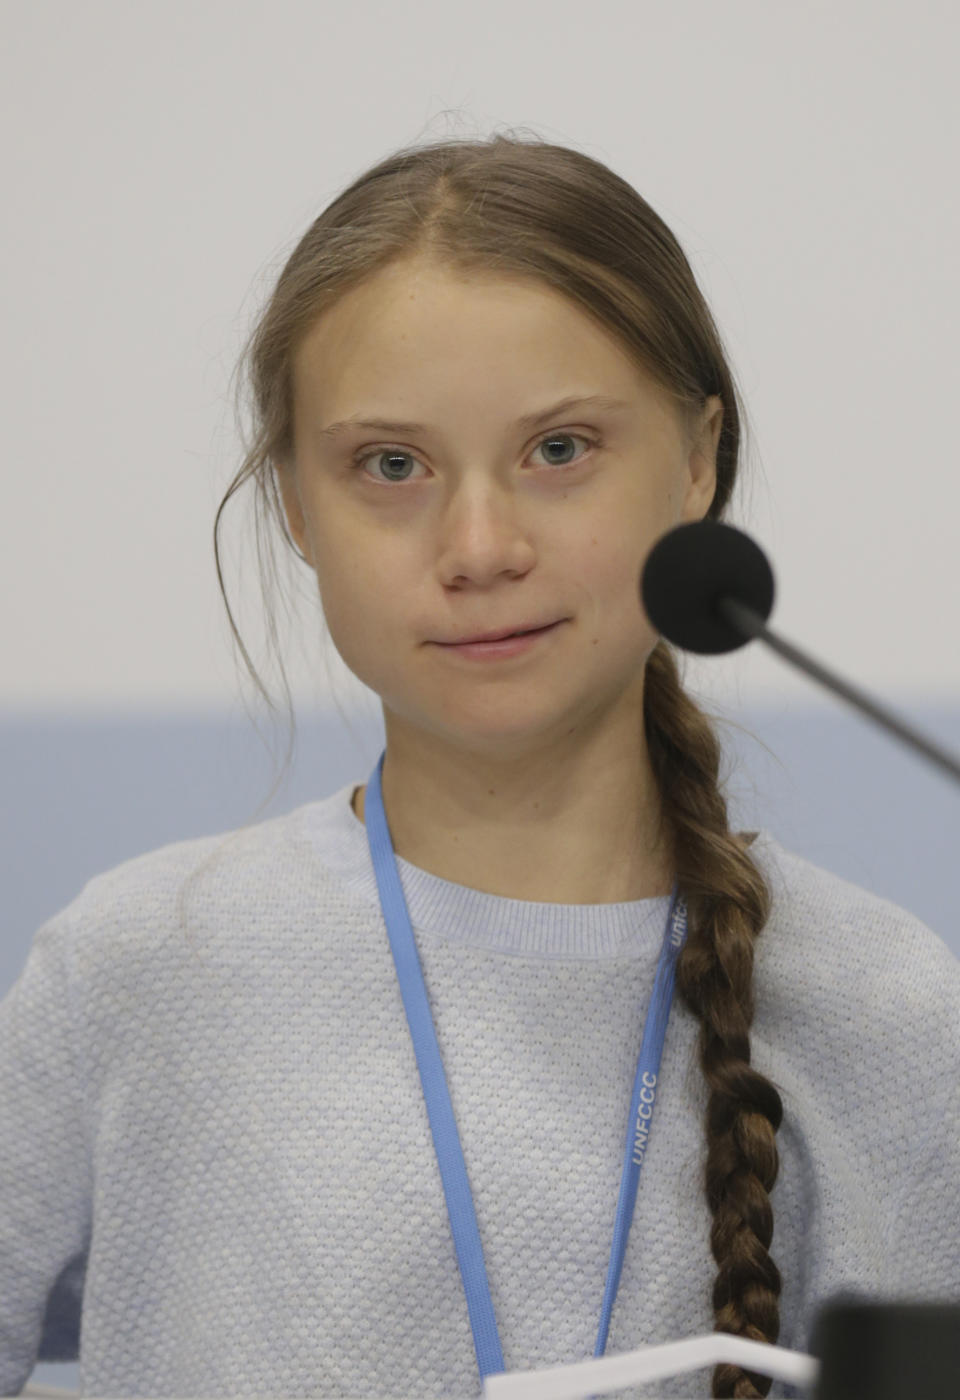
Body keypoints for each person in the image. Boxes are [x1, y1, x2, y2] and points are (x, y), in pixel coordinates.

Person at [1, 132, 957, 1400]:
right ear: (295, 501)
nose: (479, 543)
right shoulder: (135, 970)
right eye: (390, 465)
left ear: (696, 460)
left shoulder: (893, 1008)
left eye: (559, 449)